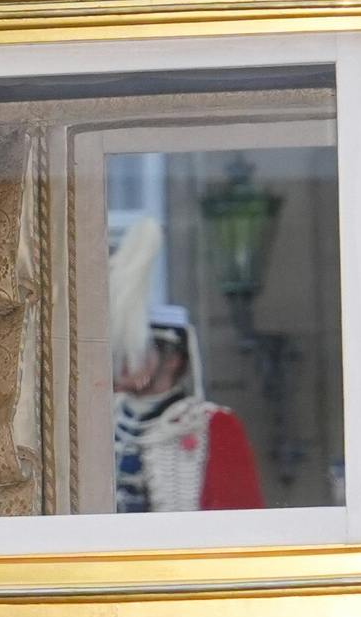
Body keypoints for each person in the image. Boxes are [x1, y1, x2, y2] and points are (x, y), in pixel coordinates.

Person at [105, 220, 265, 513]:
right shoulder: (102, 422)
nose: (123, 362)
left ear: (172, 358)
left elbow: (239, 518)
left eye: (136, 350)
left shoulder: (213, 424)